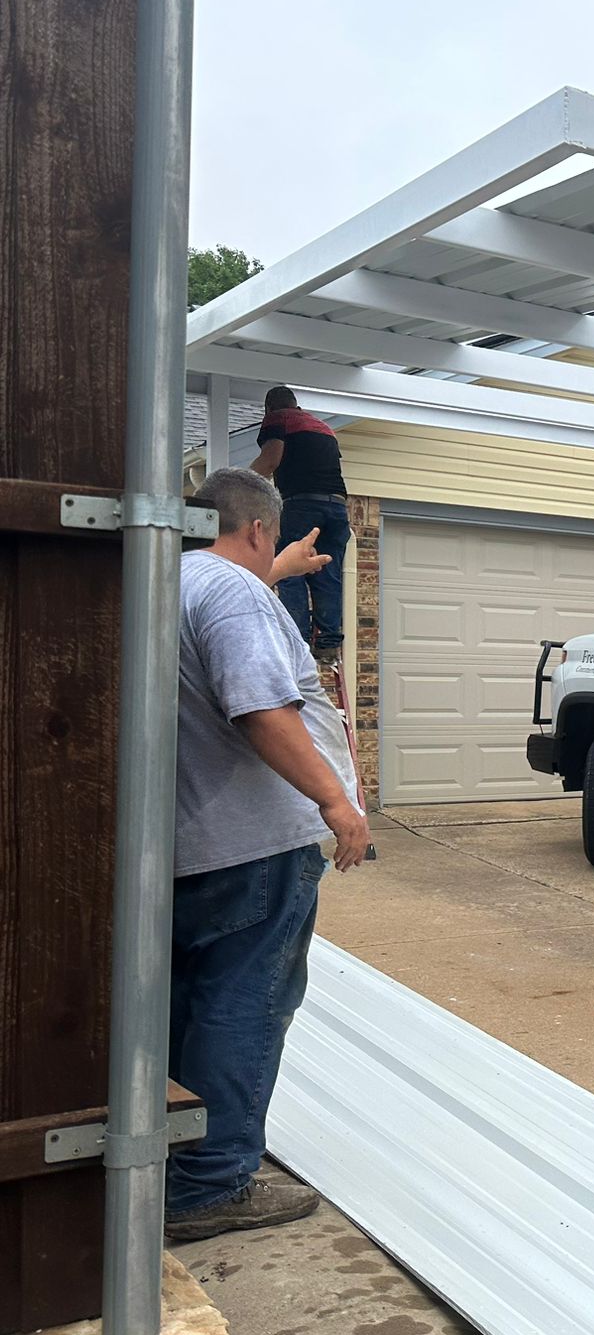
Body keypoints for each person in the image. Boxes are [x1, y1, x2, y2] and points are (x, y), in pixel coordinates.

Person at [164, 468, 373, 1242]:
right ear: (257, 529)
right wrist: (334, 800)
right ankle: (211, 1184)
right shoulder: (235, 593)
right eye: (272, 542)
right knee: (247, 1003)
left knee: (190, 1003)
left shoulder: (175, 580)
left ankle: (174, 1160)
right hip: (253, 843)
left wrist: (279, 574)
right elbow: (259, 705)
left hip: (191, 844)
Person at [252, 385, 350, 660]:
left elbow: (271, 459)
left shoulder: (278, 418)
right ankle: (329, 643)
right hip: (337, 508)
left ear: (268, 408)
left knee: (290, 569)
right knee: (328, 574)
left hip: (302, 504)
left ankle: (298, 641)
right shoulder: (323, 426)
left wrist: (237, 481)